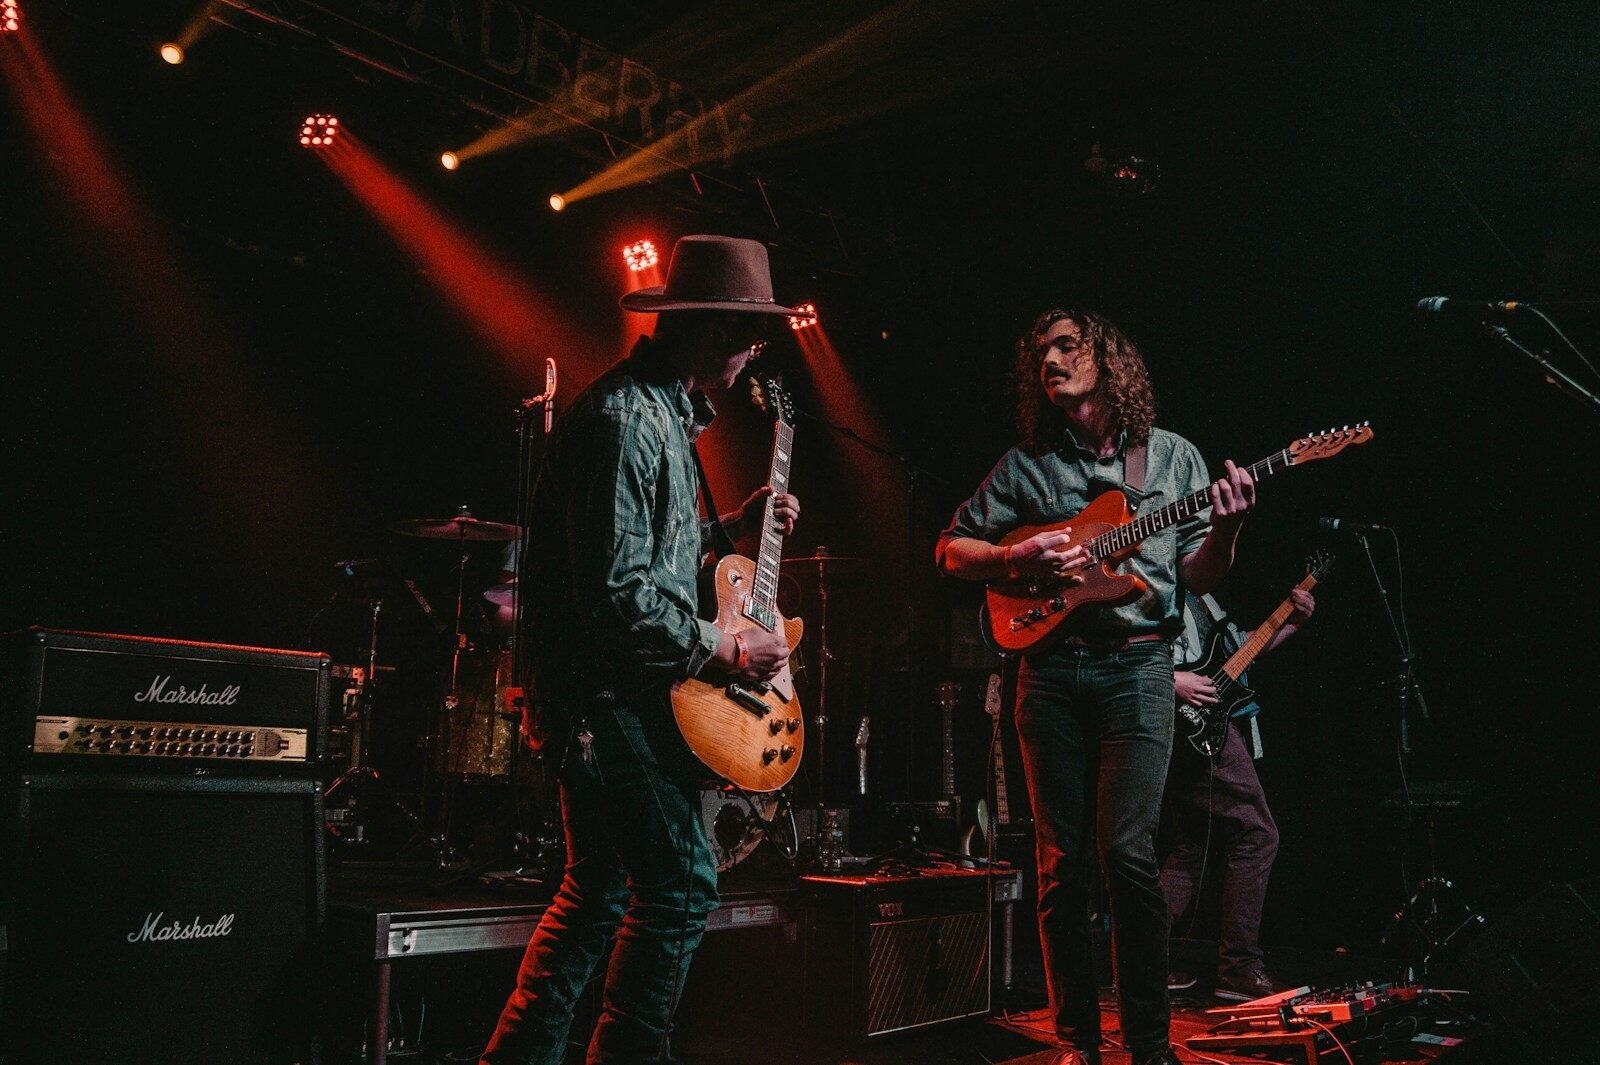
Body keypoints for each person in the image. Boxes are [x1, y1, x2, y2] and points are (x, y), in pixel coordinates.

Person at [481, 235, 805, 1065]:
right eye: (750, 336)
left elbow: (651, 553)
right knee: (681, 885)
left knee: (596, 893)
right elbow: (621, 595)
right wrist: (727, 653)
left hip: (609, 697)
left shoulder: (658, 415)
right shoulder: (628, 421)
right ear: (707, 329)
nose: (752, 355)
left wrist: (734, 524)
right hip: (605, 701)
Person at [936, 309, 1256, 1065]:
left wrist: (1230, 531)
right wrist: (1015, 563)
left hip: (1141, 668)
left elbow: (1194, 574)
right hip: (1047, 673)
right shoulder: (1026, 466)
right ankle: (1077, 1038)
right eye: (1039, 350)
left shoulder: (1173, 459)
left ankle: (1149, 1045)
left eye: (1066, 345)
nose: (1050, 359)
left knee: (1129, 855)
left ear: (1108, 360)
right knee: (1060, 863)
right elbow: (951, 548)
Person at [1163, 584, 1315, 1001]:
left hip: (1209, 723)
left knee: (1192, 848)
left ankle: (1142, 961)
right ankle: (1240, 967)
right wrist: (1172, 679)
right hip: (1191, 725)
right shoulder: (1162, 578)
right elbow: (1127, 648)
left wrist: (1293, 622)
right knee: (1258, 834)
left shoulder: (1205, 596)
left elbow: (1238, 653)